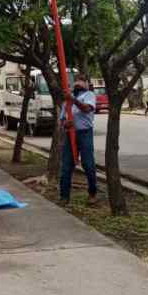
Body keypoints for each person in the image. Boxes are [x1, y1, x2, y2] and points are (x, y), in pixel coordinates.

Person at [59, 75, 97, 206]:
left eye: (82, 81)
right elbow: (62, 120)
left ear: (87, 84)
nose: (78, 83)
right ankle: (64, 197)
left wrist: (73, 99)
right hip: (70, 135)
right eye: (76, 81)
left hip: (85, 133)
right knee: (66, 167)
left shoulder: (89, 95)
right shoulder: (66, 101)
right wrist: (65, 124)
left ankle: (92, 193)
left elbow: (86, 109)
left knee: (88, 164)